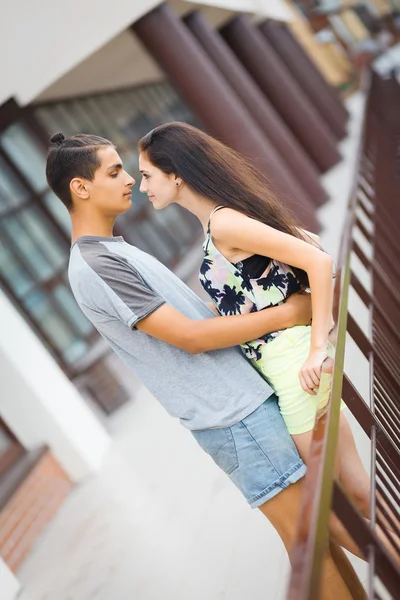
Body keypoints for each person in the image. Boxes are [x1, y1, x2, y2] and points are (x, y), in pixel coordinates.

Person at [45, 131, 364, 599]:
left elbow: (196, 326)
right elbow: (190, 336)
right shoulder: (98, 263)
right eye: (114, 171)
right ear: (80, 188)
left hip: (243, 406)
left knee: (316, 542)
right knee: (315, 541)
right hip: (232, 415)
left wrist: (289, 318)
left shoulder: (115, 250)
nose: (131, 179)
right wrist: (290, 313)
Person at [137, 122, 371, 534]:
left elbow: (319, 261)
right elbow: (303, 243)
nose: (142, 187)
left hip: (297, 366)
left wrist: (319, 343)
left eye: (146, 176)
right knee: (355, 489)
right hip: (293, 363)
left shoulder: (224, 223)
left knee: (334, 503)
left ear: (175, 173)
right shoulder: (218, 222)